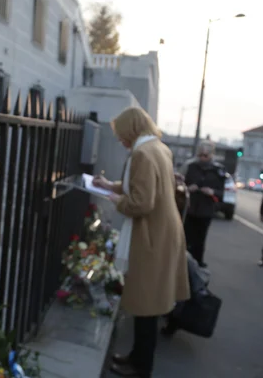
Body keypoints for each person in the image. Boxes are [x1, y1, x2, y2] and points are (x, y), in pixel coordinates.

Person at [93, 107, 190, 378]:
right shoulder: (158, 148)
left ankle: (141, 367)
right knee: (148, 303)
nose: (120, 139)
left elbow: (141, 202)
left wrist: (115, 200)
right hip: (162, 233)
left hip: (151, 236)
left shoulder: (141, 154)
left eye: (121, 134)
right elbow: (145, 187)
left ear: (132, 130)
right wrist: (109, 185)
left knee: (146, 305)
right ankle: (136, 357)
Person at [179, 141, 226, 268]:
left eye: (206, 155)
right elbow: (178, 186)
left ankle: (197, 264)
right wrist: (188, 188)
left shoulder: (218, 171)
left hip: (206, 209)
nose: (203, 158)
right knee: (185, 237)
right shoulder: (190, 166)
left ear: (212, 155)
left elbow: (223, 192)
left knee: (200, 239)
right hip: (189, 208)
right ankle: (182, 262)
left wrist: (212, 192)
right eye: (201, 155)